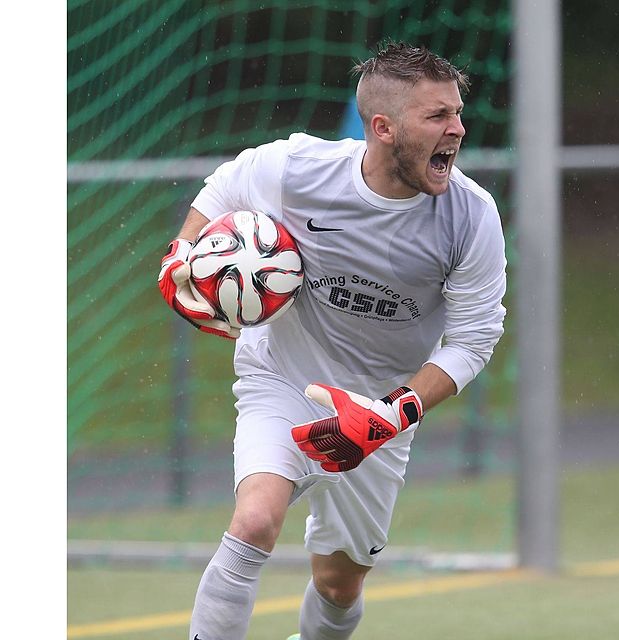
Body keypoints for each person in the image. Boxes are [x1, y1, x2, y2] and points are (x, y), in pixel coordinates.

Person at [157, 42, 508, 640]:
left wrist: (388, 415)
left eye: (456, 112)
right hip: (283, 377)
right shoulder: (298, 168)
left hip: (381, 408)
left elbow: (475, 338)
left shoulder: (471, 217)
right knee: (255, 520)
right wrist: (180, 257)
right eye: (439, 116)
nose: (459, 127)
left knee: (338, 588)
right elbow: (223, 186)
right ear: (383, 128)